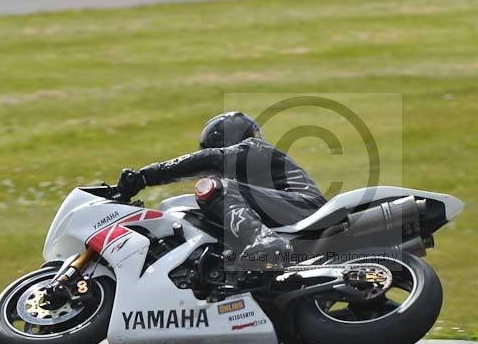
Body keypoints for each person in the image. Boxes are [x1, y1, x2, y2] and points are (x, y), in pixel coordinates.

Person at [117, 111, 326, 269]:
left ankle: (265, 241)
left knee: (210, 188)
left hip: (304, 206)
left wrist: (145, 176)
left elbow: (211, 159)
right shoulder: (251, 180)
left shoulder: (255, 148)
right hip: (291, 214)